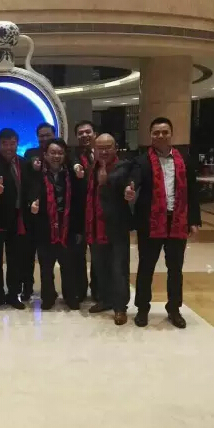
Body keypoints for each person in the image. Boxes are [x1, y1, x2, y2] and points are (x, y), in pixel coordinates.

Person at [124, 117, 201, 329]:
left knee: (175, 269)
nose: (160, 136)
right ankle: (142, 309)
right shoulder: (142, 161)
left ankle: (174, 309)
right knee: (146, 267)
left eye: (164, 132)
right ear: (150, 135)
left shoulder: (184, 160)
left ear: (171, 134)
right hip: (150, 222)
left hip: (177, 221)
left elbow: (192, 192)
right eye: (156, 132)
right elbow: (133, 179)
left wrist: (193, 220)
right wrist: (129, 188)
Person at [29, 138, 85, 310]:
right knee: (46, 268)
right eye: (52, 153)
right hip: (45, 229)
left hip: (67, 228)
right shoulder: (36, 174)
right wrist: (31, 204)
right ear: (45, 155)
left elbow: (78, 202)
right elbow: (29, 195)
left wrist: (78, 229)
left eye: (60, 153)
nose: (56, 156)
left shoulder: (72, 174)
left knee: (68, 266)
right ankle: (48, 297)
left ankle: (70, 296)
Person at [86, 133, 133, 326]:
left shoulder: (124, 167)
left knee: (119, 269)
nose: (104, 152)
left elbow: (122, 182)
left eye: (108, 147)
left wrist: (107, 182)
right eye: (100, 148)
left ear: (115, 148)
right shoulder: (92, 168)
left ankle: (120, 307)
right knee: (100, 267)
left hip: (115, 228)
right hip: (95, 227)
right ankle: (105, 300)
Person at [0, 128, 29, 310]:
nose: (9, 147)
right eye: (5, 144)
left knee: (15, 258)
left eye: (12, 143)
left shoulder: (23, 163)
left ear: (17, 143)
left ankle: (13, 294)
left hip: (17, 218)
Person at [19, 122, 57, 300]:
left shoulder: (59, 153)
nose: (44, 138)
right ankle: (27, 288)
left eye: (47, 135)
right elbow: (26, 177)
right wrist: (33, 165)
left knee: (46, 257)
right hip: (31, 214)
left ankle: (49, 291)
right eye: (41, 136)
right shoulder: (31, 153)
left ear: (54, 135)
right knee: (26, 255)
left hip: (51, 215)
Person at [71, 120, 99, 303]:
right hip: (79, 215)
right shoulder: (72, 155)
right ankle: (80, 290)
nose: (84, 135)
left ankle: (98, 290)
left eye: (87, 132)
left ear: (94, 133)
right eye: (80, 133)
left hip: (99, 214)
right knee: (78, 255)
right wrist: (76, 167)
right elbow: (72, 163)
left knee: (98, 255)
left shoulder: (103, 153)